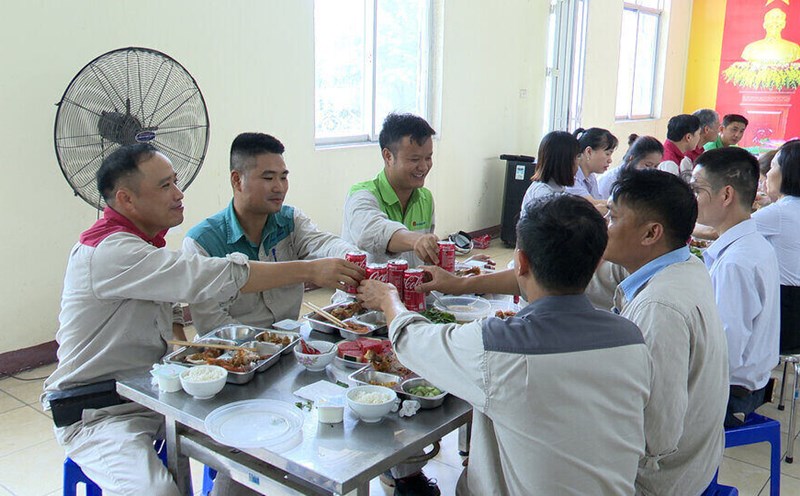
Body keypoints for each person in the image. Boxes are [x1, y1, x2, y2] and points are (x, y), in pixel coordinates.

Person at [41, 144, 365, 496]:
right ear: (127, 199)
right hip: (101, 412)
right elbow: (211, 276)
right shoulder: (110, 253)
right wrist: (309, 270)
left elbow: (174, 312)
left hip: (157, 393)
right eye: (165, 186)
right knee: (158, 492)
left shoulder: (145, 245)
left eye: (176, 183)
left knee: (268, 439)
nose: (179, 195)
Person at [358, 195, 653, 495]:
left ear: (521, 262)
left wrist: (389, 299)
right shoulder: (632, 339)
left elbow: (412, 341)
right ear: (598, 261)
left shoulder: (499, 346)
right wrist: (458, 284)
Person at [605, 168, 728, 494]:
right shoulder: (686, 264)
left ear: (650, 234)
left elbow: (655, 438)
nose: (605, 227)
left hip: (661, 481)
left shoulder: (660, 308)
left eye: (613, 218)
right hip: (698, 459)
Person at [183, 133, 359, 333]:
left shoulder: (290, 221)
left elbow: (324, 244)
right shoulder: (201, 243)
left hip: (289, 342)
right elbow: (211, 324)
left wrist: (354, 259)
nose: (279, 187)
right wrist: (269, 345)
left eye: (283, 177)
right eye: (268, 178)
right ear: (237, 180)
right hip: (231, 352)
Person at [690, 147, 780, 427]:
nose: (692, 198)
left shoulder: (736, 263)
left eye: (698, 189)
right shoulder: (751, 245)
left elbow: (724, 352)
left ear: (726, 195)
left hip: (731, 395)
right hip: (746, 385)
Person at [342, 113, 439, 267]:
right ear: (388, 156)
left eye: (428, 158)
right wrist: (415, 240)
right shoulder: (361, 195)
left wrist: (464, 267)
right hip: (368, 290)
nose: (424, 167)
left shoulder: (425, 198)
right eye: (414, 159)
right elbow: (372, 232)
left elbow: (427, 260)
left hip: (412, 290)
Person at [754, 140, 800, 351]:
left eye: (773, 166)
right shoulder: (784, 208)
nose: (768, 173)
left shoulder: (780, 212)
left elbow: (722, 231)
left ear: (786, 173)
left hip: (786, 310)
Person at [519, 130, 580, 214]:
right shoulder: (542, 193)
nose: (578, 162)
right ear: (564, 162)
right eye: (577, 157)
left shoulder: (558, 187)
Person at [566, 127, 618, 212]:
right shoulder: (571, 176)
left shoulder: (591, 177)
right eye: (607, 154)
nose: (610, 160)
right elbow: (592, 205)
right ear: (589, 152)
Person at [598, 134, 664, 199]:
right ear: (631, 159)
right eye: (648, 165)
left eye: (656, 166)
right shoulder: (608, 181)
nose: (652, 171)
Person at [658, 114, 702, 179]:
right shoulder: (669, 165)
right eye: (698, 134)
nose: (699, 137)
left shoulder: (667, 150)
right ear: (688, 137)